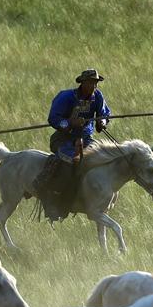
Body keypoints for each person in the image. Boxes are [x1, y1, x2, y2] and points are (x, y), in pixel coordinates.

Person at [33, 69, 112, 222]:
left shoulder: (98, 97)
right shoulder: (66, 97)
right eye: (90, 82)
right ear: (82, 83)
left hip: (86, 140)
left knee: (102, 159)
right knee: (73, 163)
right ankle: (55, 198)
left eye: (95, 83)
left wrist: (102, 122)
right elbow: (53, 118)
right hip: (64, 140)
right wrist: (70, 123)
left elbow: (104, 114)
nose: (93, 86)